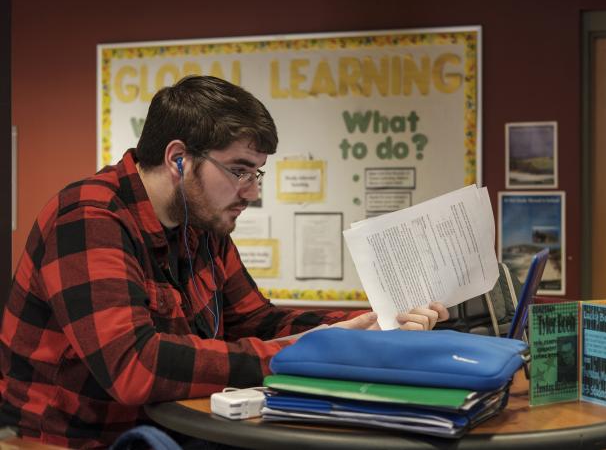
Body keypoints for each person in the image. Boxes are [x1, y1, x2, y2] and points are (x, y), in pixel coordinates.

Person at [0, 76, 449, 448]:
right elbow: (135, 366)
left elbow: (259, 323)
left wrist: (373, 325)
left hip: (164, 429)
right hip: (66, 441)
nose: (252, 192)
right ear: (179, 159)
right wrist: (306, 351)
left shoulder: (201, 224)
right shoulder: (89, 217)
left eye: (257, 173)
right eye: (239, 171)